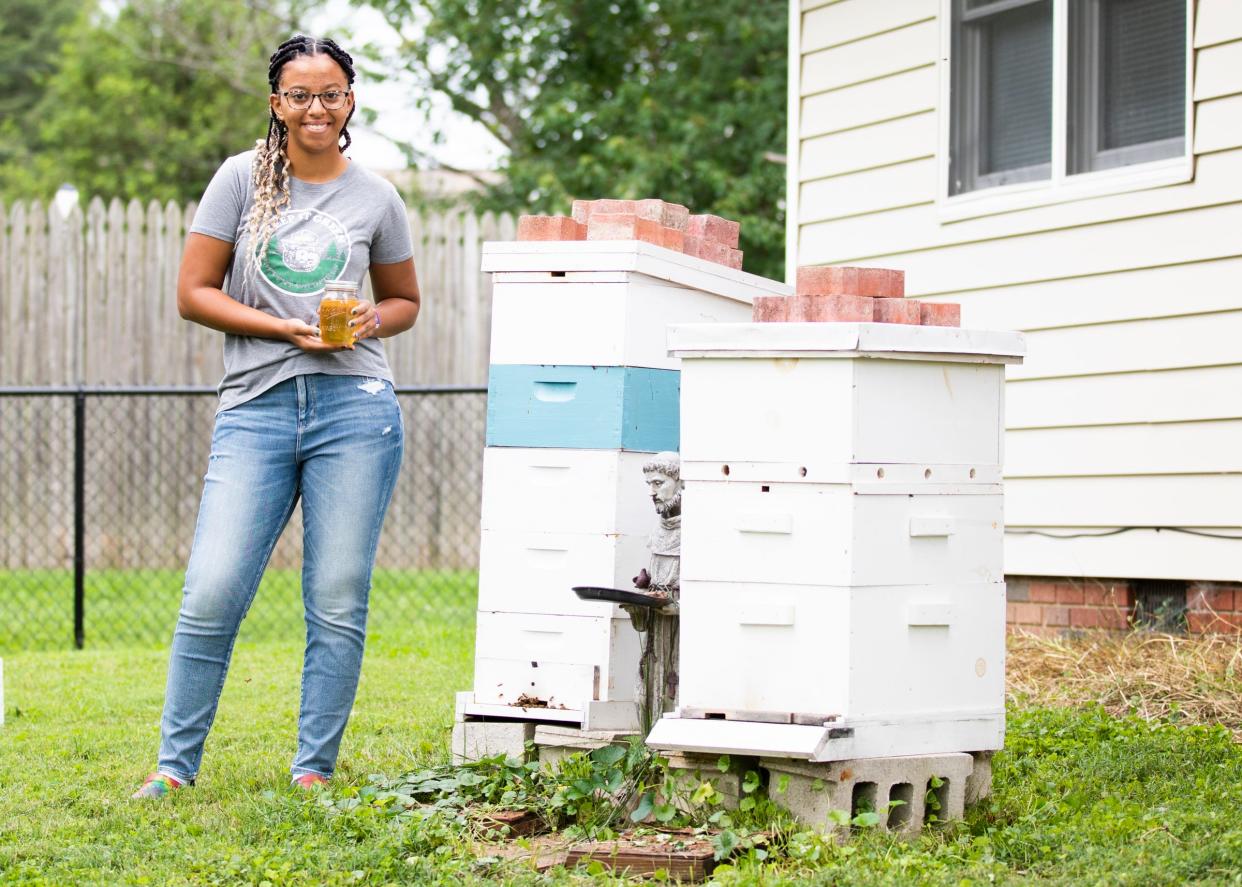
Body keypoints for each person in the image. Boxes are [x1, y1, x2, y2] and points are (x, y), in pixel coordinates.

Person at [132, 35, 420, 798]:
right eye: (300, 95)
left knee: (335, 596)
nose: (316, 108)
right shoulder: (239, 180)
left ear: (350, 100)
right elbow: (194, 292)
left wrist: (371, 319)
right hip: (255, 408)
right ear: (277, 104)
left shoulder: (376, 197)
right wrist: (277, 327)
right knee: (213, 588)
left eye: (330, 94)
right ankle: (173, 766)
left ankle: (312, 768)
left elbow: (405, 301)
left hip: (354, 409)